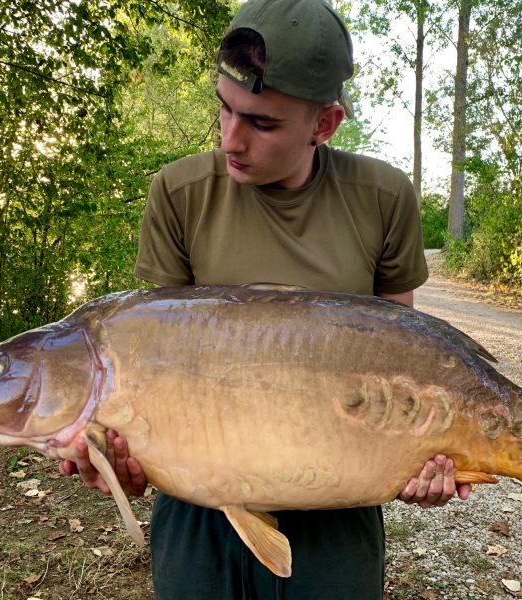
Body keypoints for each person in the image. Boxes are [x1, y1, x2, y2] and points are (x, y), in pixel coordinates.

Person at [59, 0, 471, 597]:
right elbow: (155, 367)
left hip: (336, 502)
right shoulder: (179, 192)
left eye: (262, 123)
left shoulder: (382, 196)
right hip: (199, 504)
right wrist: (123, 460)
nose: (231, 139)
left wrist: (422, 458)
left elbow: (402, 355)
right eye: (224, 108)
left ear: (324, 124)